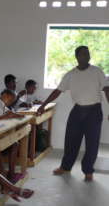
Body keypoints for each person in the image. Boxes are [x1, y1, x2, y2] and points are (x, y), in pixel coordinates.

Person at [37, 46, 109, 182]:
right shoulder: (70, 74)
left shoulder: (97, 71)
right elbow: (57, 91)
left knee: (92, 144)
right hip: (77, 111)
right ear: (77, 57)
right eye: (83, 54)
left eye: (88, 54)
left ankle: (88, 171)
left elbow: (107, 89)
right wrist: (43, 104)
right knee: (70, 141)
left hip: (94, 111)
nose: (86, 56)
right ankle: (65, 167)